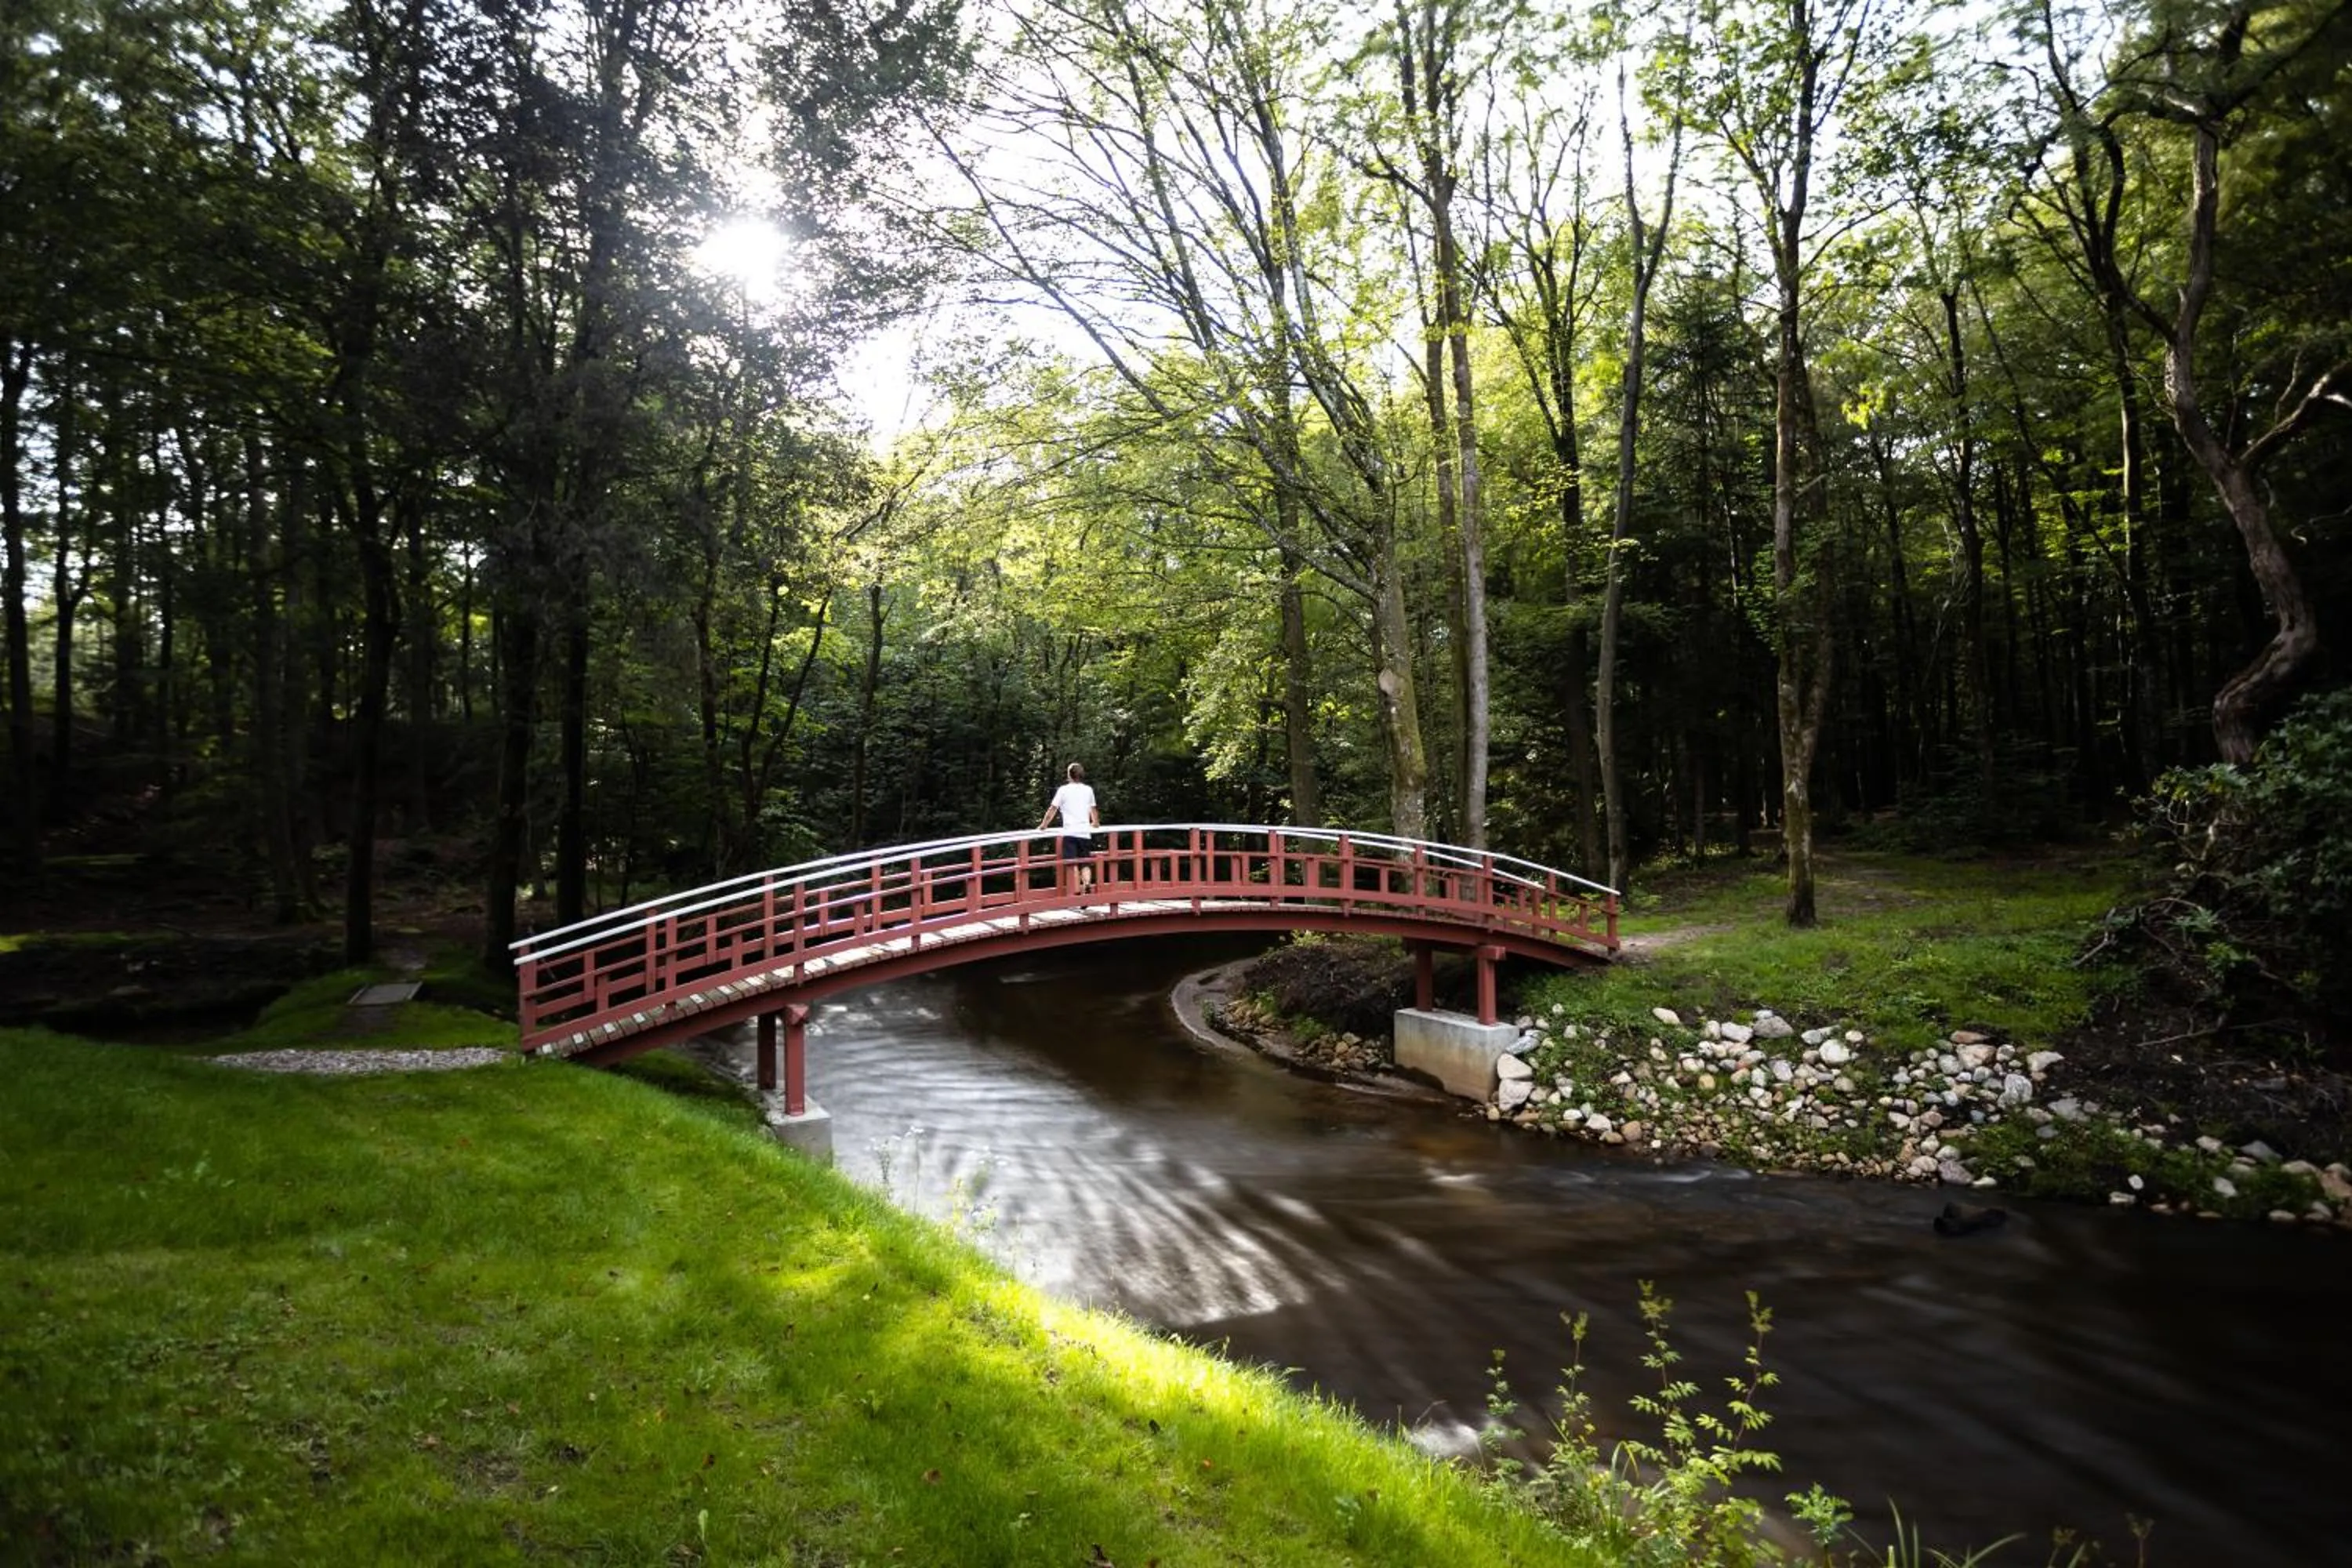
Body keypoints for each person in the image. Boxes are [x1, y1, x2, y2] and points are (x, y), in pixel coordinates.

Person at [1038, 761, 1101, 896]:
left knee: (1072, 864)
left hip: (1070, 832)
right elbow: (1093, 809)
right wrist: (1095, 823)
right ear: (1081, 775)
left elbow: (1052, 809)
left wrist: (1044, 825)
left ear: (1069, 775)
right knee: (1085, 862)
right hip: (1084, 832)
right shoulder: (1088, 790)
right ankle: (1087, 884)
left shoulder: (1063, 790)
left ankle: (1078, 890)